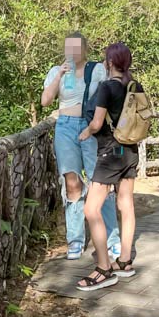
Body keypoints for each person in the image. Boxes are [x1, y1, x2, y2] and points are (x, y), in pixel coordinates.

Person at [41, 32, 120, 262]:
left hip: (91, 128)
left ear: (85, 48)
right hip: (65, 126)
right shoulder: (57, 71)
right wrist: (60, 76)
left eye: (77, 47)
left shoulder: (96, 70)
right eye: (69, 47)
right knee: (72, 181)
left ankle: (112, 239)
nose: (73, 52)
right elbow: (45, 101)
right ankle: (75, 239)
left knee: (100, 182)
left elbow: (112, 92)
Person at [76, 42, 140, 291]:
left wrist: (85, 133)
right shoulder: (135, 86)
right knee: (126, 204)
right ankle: (124, 261)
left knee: (91, 210)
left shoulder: (107, 88)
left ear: (110, 63)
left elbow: (97, 122)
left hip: (110, 153)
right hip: (130, 151)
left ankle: (103, 269)